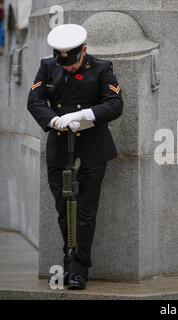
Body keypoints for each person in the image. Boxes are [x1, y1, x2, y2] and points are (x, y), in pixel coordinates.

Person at [27, 24, 123, 290]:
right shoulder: (48, 66)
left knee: (85, 212)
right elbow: (34, 100)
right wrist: (54, 120)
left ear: (84, 50)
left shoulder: (103, 69)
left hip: (92, 150)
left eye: (73, 62)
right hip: (60, 148)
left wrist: (83, 116)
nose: (67, 67)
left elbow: (115, 104)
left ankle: (79, 270)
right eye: (63, 62)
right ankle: (68, 264)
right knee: (63, 209)